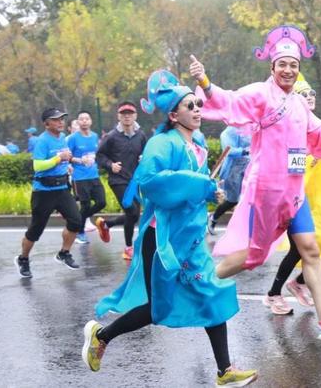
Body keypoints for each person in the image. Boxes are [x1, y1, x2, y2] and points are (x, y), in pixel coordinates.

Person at [82, 78, 257, 386]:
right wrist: (195, 182)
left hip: (190, 240)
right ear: (174, 115)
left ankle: (225, 371)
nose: (197, 110)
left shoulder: (199, 142)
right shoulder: (161, 144)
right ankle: (102, 335)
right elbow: (151, 181)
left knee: (211, 294)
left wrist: (207, 191)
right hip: (162, 240)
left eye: (199, 104)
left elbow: (197, 184)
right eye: (190, 105)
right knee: (158, 308)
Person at [191, 24, 321, 341]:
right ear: (272, 67)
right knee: (255, 257)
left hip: (294, 193)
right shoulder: (259, 93)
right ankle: (201, 281)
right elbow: (229, 101)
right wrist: (205, 81)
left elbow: (316, 135)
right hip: (266, 191)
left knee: (309, 250)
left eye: (293, 65)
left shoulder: (298, 103)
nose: (288, 70)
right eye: (282, 64)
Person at [263, 75, 321, 315]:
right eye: (303, 94)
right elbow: (292, 168)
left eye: (312, 93)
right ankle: (275, 293)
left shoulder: (314, 124)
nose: (310, 97)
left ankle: (294, 284)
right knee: (304, 247)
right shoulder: (292, 127)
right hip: (296, 197)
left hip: (317, 197)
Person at [14, 108, 82, 279]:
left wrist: (67, 164)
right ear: (46, 123)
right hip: (43, 191)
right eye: (56, 119)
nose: (60, 122)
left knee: (76, 221)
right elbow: (38, 166)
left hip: (61, 189)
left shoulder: (62, 139)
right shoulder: (42, 141)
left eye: (62, 119)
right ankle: (23, 259)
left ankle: (64, 253)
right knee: (36, 230)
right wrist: (59, 159)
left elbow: (62, 158)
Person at [95, 102, 147, 260]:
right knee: (131, 211)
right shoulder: (111, 137)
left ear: (135, 116)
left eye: (130, 113)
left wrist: (145, 158)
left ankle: (107, 224)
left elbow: (147, 153)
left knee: (134, 215)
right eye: (123, 114)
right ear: (119, 116)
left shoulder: (141, 135)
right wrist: (110, 165)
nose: (127, 116)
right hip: (118, 180)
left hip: (135, 180)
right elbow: (99, 156)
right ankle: (128, 248)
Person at [67, 111, 106, 245]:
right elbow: (67, 156)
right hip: (80, 176)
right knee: (85, 204)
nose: (84, 121)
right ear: (78, 122)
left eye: (87, 118)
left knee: (101, 202)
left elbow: (99, 154)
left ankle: (78, 219)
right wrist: (78, 160)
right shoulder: (73, 138)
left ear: (90, 121)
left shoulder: (95, 136)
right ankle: (80, 231)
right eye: (81, 119)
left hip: (94, 175)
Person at [207, 125, 251, 234]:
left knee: (249, 198)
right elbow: (229, 150)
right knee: (233, 200)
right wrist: (245, 151)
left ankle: (245, 230)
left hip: (250, 166)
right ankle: (214, 218)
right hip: (234, 170)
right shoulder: (230, 131)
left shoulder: (251, 126)